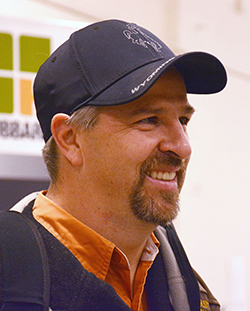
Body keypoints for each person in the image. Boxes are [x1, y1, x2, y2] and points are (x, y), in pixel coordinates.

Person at [0, 19, 227, 311]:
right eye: (149, 120)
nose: (182, 146)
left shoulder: (183, 285)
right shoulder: (12, 278)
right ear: (70, 139)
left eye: (183, 120)